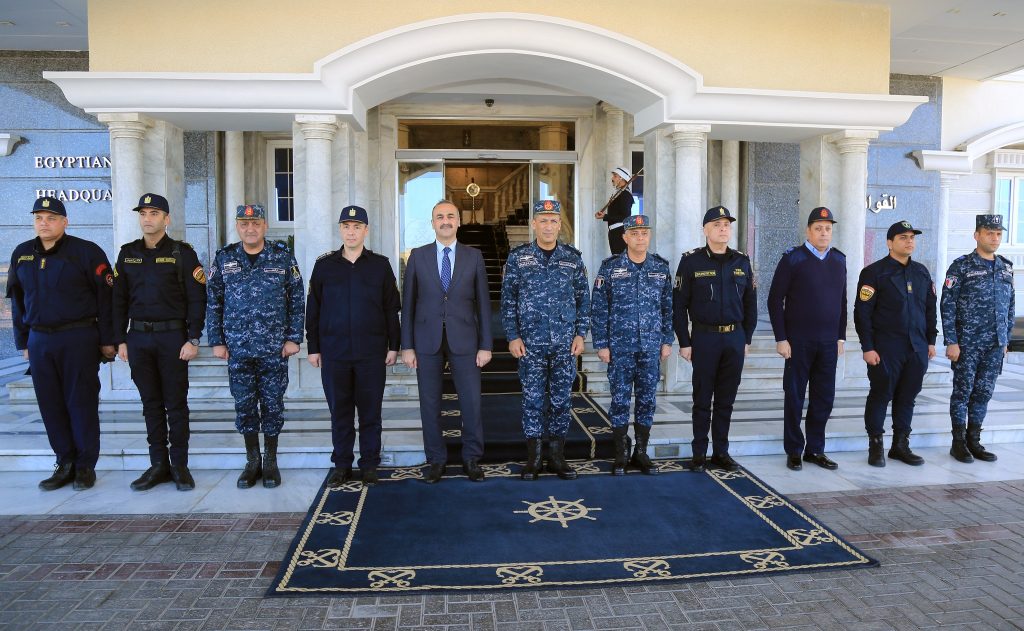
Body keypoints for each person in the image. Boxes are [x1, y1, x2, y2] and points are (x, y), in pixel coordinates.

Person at [6, 196, 116, 491]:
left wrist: (108, 340)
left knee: (81, 402)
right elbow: (17, 302)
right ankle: (64, 462)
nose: (44, 223)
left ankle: (85, 466)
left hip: (78, 336)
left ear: (65, 222)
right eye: (39, 218)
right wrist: (23, 341)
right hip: (39, 339)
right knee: (50, 404)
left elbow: (106, 299)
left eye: (51, 218)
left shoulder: (86, 252)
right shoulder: (22, 254)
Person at [113, 193, 207, 491]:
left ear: (167, 219)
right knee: (150, 403)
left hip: (172, 338)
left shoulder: (182, 254)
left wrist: (193, 338)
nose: (147, 219)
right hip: (138, 337)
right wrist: (120, 339)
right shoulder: (127, 254)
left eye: (154, 213)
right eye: (143, 213)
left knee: (176, 404)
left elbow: (197, 299)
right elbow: (118, 300)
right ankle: (158, 465)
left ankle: (179, 465)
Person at [206, 204, 304, 489]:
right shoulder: (224, 258)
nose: (250, 229)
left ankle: (270, 461)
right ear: (237, 226)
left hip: (274, 348)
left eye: (256, 223)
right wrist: (217, 341)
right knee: (244, 405)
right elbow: (214, 301)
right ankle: (252, 462)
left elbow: (297, 299)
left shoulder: (282, 257)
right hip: (238, 348)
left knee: (273, 405)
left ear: (265, 226)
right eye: (244, 224)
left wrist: (293, 338)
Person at [306, 205, 400, 487]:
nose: (351, 232)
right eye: (346, 226)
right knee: (340, 413)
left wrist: (394, 345)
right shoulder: (324, 266)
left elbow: (391, 309)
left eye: (357, 227)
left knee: (371, 413)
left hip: (371, 353)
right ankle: (342, 464)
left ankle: (369, 464)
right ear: (340, 230)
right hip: (334, 353)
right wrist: (313, 347)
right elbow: (313, 309)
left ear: (366, 231)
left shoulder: (380, 266)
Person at [401, 200, 492, 483]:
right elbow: (408, 303)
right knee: (429, 403)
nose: (445, 221)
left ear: (458, 222)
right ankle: (436, 460)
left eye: (450, 216)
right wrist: (407, 345)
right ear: (432, 223)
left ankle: (471, 458)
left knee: (471, 402)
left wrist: (486, 345)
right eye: (439, 216)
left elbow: (484, 304)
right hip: (425, 340)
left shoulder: (474, 256)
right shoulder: (417, 256)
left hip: (465, 339)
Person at [501, 199, 590, 481]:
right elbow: (508, 301)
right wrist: (513, 336)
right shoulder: (518, 258)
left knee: (562, 400)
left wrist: (581, 334)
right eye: (543, 220)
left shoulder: (572, 258)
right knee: (533, 400)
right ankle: (534, 458)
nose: (548, 226)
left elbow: (583, 299)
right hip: (530, 344)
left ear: (559, 225)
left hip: (565, 343)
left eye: (553, 221)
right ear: (533, 224)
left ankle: (557, 456)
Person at [673, 206, 757, 472]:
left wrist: (746, 338)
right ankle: (699, 453)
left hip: (734, 338)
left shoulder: (742, 262)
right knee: (702, 399)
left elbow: (750, 303)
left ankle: (721, 452)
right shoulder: (691, 262)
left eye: (726, 225)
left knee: (726, 400)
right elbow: (679, 305)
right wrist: (684, 342)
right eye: (717, 225)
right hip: (704, 338)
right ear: (705, 230)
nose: (723, 229)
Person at [590, 214, 673, 475]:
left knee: (647, 400)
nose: (640, 238)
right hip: (620, 347)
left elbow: (667, 307)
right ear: (625, 237)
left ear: (649, 236)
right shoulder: (610, 267)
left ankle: (641, 452)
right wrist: (601, 344)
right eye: (634, 234)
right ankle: (621, 454)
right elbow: (599, 308)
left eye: (644, 233)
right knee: (620, 400)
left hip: (650, 346)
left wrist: (667, 340)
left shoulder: (660, 267)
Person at [767, 207, 846, 471]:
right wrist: (781, 338)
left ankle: (815, 449)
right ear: (808, 231)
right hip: (798, 342)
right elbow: (774, 300)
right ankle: (794, 450)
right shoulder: (793, 259)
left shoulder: (839, 260)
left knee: (824, 398)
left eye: (828, 229)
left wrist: (841, 337)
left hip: (828, 343)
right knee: (795, 397)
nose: (824, 233)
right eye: (818, 228)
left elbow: (842, 301)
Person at [854, 220, 937, 467]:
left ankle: (900, 445)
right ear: (890, 243)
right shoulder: (874, 273)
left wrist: (931, 341)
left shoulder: (921, 272)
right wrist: (867, 347)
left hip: (917, 347)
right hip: (886, 348)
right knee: (881, 395)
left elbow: (930, 309)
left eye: (912, 237)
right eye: (903, 237)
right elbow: (862, 313)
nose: (909, 241)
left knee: (908, 397)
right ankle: (876, 446)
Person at [941, 214, 1014, 464]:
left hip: (994, 345)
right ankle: (958, 443)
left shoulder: (1005, 267)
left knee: (983, 393)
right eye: (989, 233)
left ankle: (974, 441)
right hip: (967, 344)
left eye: (998, 234)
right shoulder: (961, 266)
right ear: (976, 235)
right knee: (962, 393)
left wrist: (1005, 340)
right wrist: (951, 340)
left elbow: (1010, 305)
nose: (994, 238)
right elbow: (947, 304)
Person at [594, 166, 634, 255]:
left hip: (620, 233)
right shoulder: (619, 193)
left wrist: (605, 216)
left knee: (620, 260)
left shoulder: (625, 195)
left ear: (622, 178)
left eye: (615, 176)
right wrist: (604, 216)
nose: (612, 178)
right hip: (615, 232)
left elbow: (625, 217)